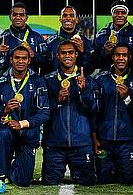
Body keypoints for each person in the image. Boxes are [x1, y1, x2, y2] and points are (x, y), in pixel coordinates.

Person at [0, 46, 50, 193]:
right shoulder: (0, 82)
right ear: (11, 60)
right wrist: (4, 110)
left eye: (24, 58)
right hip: (7, 131)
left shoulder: (38, 82)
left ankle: (14, 164)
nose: (20, 61)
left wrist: (21, 124)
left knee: (23, 181)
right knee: (1, 133)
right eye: (17, 58)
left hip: (28, 133)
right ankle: (0, 178)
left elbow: (45, 113)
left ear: (29, 61)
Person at [41, 41, 97, 186]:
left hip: (81, 143)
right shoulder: (47, 80)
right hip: (55, 144)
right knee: (49, 182)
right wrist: (57, 100)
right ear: (57, 56)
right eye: (63, 53)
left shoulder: (88, 80)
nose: (67, 56)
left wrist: (84, 91)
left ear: (76, 55)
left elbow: (95, 109)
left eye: (71, 52)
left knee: (88, 183)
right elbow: (41, 111)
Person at [93, 43, 133, 185]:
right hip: (105, 139)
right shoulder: (100, 79)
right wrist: (94, 135)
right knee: (103, 181)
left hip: (128, 140)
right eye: (117, 55)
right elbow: (94, 111)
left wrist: (127, 98)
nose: (121, 58)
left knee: (129, 180)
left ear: (130, 57)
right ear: (112, 57)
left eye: (124, 55)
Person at [93, 0, 133, 75]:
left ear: (127, 14)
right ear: (112, 14)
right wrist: (105, 52)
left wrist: (130, 56)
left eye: (123, 12)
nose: (120, 15)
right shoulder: (101, 35)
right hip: (107, 80)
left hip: (130, 78)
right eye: (116, 12)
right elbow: (94, 63)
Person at [0, 2, 47, 75]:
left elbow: (47, 63)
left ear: (26, 17)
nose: (18, 17)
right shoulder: (1, 38)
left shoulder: (37, 37)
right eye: (15, 15)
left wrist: (34, 55)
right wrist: (0, 54)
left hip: (31, 81)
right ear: (10, 17)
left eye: (21, 15)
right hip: (8, 82)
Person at [44, 5, 93, 75]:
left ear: (76, 20)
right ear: (60, 19)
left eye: (71, 15)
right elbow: (44, 68)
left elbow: (90, 70)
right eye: (65, 15)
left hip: (78, 83)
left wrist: (83, 52)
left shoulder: (86, 42)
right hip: (55, 83)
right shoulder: (50, 42)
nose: (68, 18)